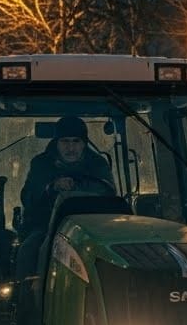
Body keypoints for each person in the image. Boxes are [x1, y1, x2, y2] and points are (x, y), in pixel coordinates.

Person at [15, 115, 116, 276]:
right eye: (65, 141)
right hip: (48, 227)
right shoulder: (41, 164)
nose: (71, 147)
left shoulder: (98, 164)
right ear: (57, 143)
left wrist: (79, 187)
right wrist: (51, 187)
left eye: (76, 141)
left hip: (92, 227)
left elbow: (109, 194)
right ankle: (25, 294)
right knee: (29, 251)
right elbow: (29, 197)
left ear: (84, 143)